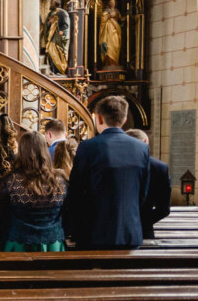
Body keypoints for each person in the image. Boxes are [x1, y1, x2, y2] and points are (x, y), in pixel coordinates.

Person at [64, 95, 151, 249]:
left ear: (99, 118)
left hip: (93, 232)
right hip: (130, 232)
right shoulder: (142, 148)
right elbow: (142, 193)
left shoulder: (88, 147)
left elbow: (76, 192)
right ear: (124, 120)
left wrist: (73, 228)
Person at [0, 132, 68, 252]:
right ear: (45, 150)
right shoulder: (60, 180)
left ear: (21, 152)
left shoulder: (10, 180)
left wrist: (3, 241)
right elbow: (68, 214)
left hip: (18, 244)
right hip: (53, 244)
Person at [127, 128, 171, 240]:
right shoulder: (160, 168)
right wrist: (143, 220)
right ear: (146, 141)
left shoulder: (113, 164)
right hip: (144, 231)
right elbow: (163, 209)